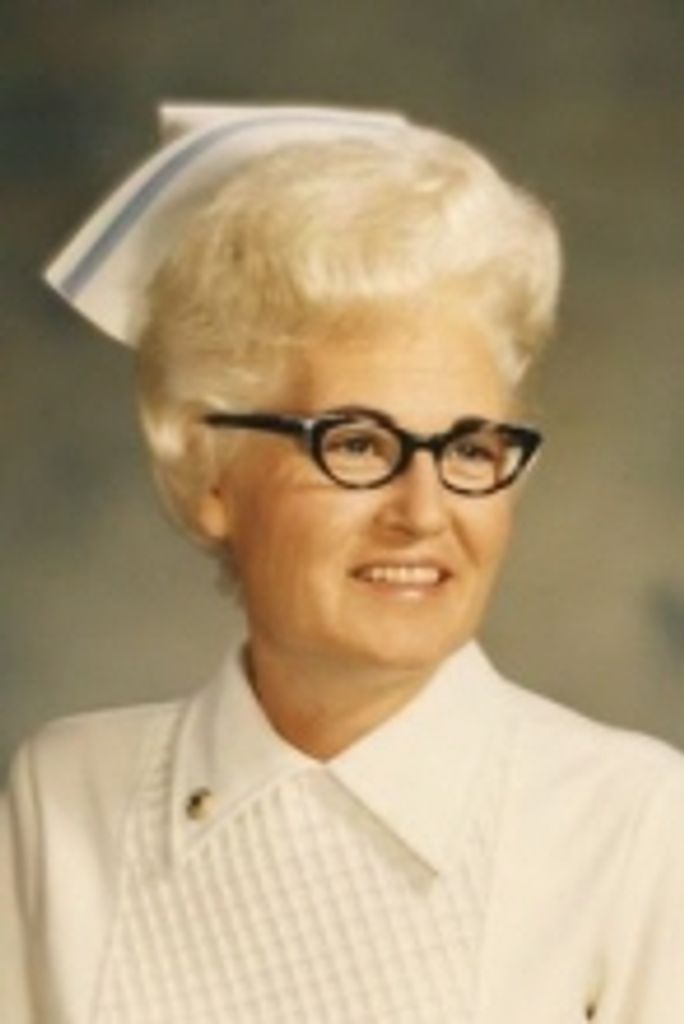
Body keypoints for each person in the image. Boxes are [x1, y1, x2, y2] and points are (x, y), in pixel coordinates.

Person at [2, 103, 683, 1024]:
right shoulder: (66, 795)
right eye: (358, 444)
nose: (424, 512)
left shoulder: (630, 823)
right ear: (211, 474)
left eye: (469, 449)